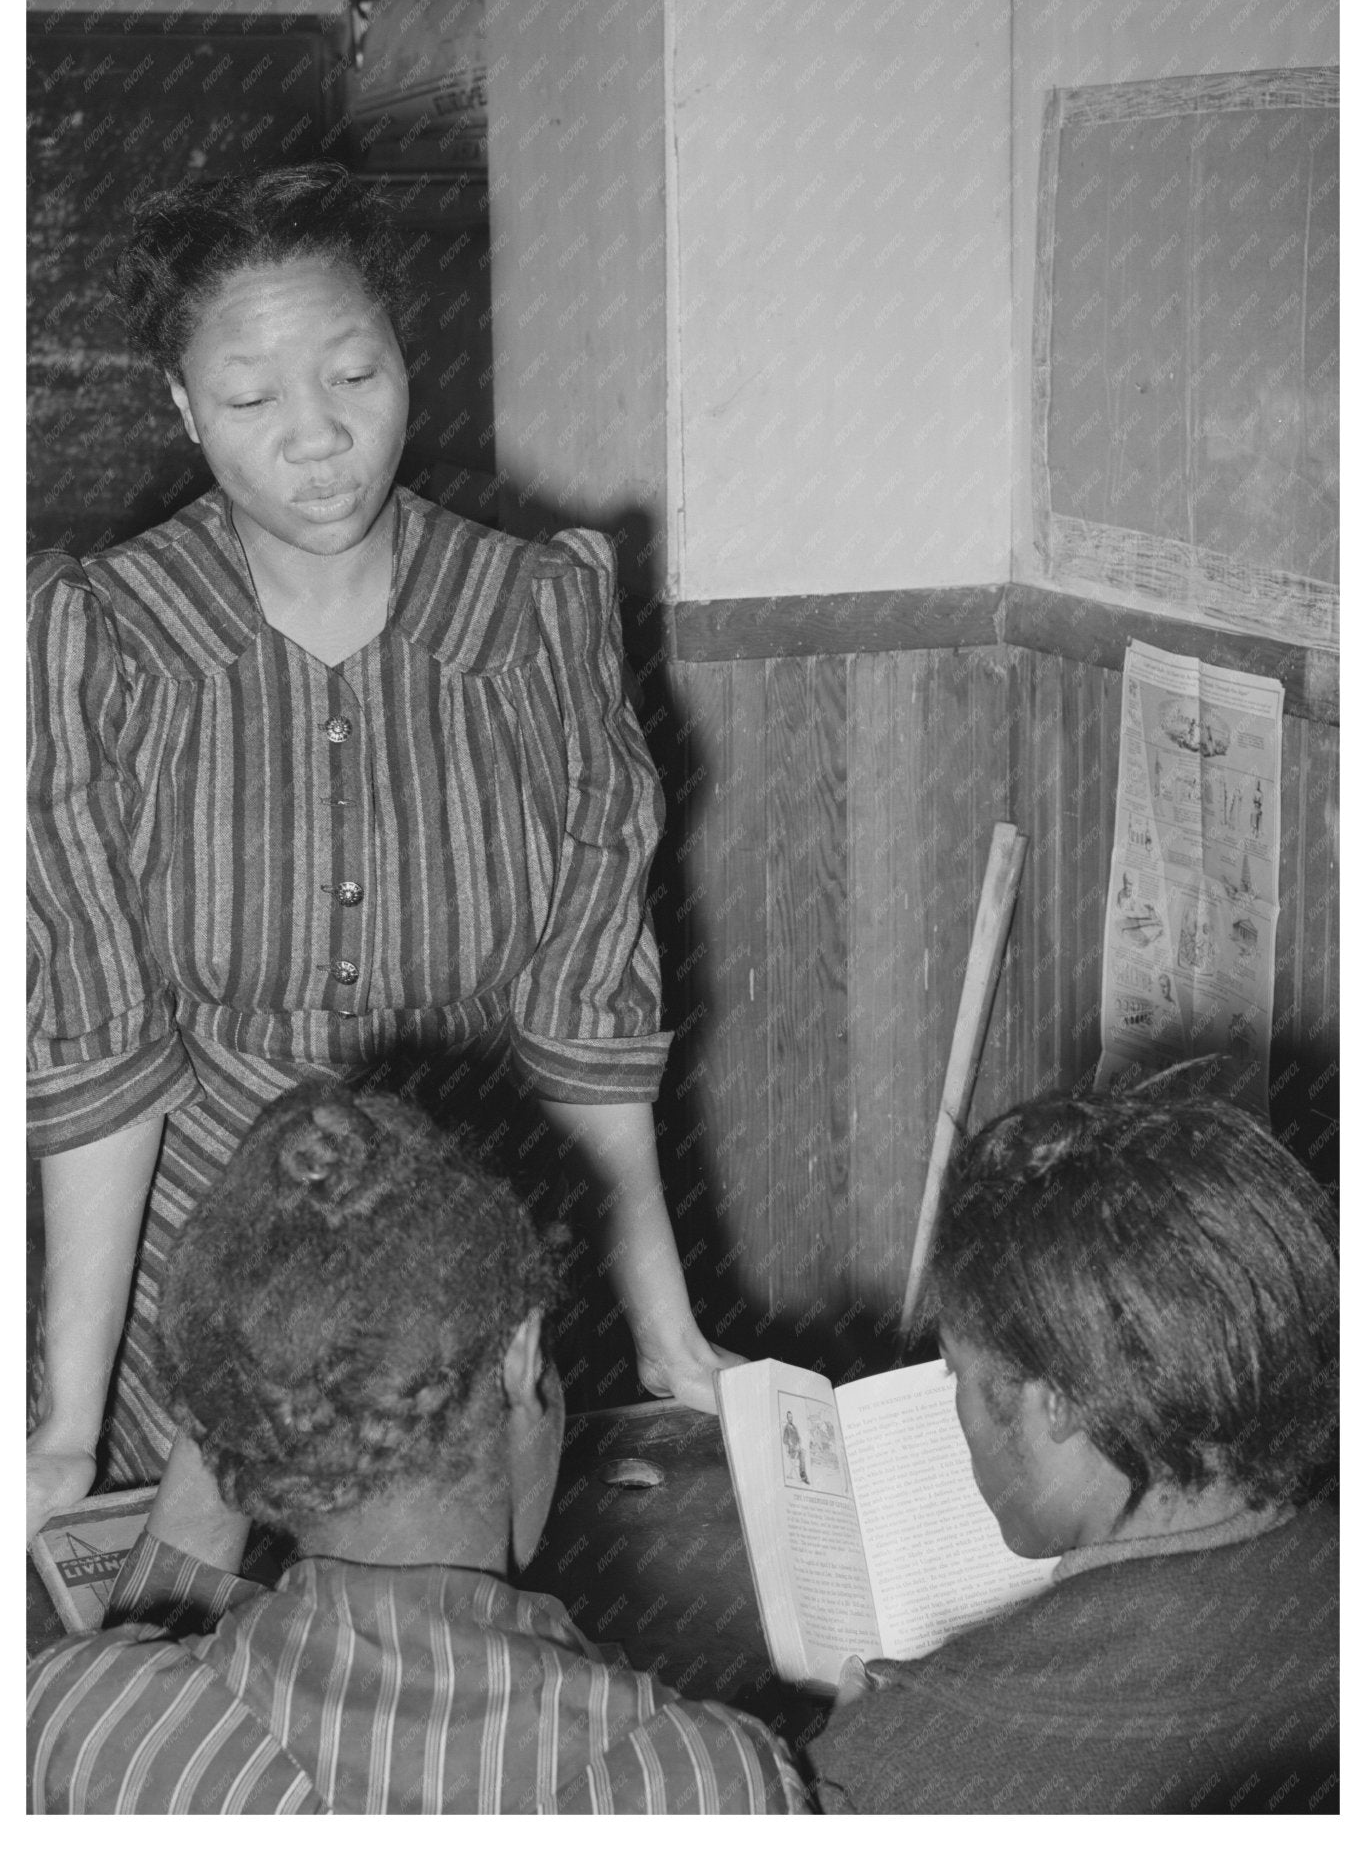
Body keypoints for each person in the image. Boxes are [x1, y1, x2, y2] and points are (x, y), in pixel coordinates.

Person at [27, 161, 735, 1541]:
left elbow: (582, 1028)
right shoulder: (105, 638)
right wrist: (63, 1421)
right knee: (179, 1687)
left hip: (461, 1301)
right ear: (182, 407)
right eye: (251, 399)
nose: (318, 439)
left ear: (404, 359)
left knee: (460, 1671)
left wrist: (668, 1335)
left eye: (354, 374)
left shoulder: (532, 618)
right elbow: (100, 1059)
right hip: (202, 1308)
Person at [27, 1083, 805, 1815]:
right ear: (524, 1353)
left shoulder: (89, 1733)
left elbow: (140, 1668)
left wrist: (249, 1372)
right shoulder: (703, 1781)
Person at [809, 1091, 1339, 1815]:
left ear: (1054, 1401)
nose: (954, 1401)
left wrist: (842, 1778)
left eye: (954, 1371)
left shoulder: (899, 1764)